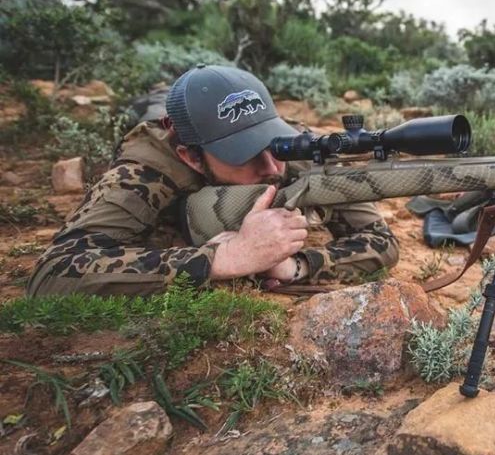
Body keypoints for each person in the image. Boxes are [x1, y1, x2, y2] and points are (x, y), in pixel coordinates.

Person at [27, 65, 399, 297]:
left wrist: (299, 265)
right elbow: (54, 271)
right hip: (160, 123)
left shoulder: (299, 148)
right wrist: (220, 259)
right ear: (190, 155)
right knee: (151, 106)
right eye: (244, 151)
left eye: (273, 143)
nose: (271, 165)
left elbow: (381, 242)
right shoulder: (145, 172)